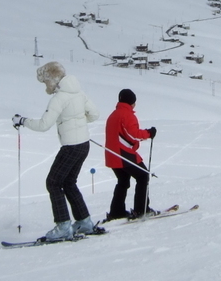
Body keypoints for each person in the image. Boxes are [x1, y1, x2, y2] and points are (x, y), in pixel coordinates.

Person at [13, 62, 100, 241]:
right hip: (83, 145)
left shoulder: (59, 98)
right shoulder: (79, 92)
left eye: (46, 82)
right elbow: (94, 114)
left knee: (53, 183)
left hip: (71, 146)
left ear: (52, 79)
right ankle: (84, 222)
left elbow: (44, 125)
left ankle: (63, 227)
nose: (46, 86)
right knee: (69, 183)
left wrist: (23, 121)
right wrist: (77, 124)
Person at [104, 88, 158, 220]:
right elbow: (133, 134)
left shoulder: (114, 114)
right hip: (123, 154)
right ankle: (141, 209)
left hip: (112, 155)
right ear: (131, 102)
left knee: (123, 181)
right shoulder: (127, 115)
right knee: (143, 176)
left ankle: (116, 212)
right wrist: (148, 133)